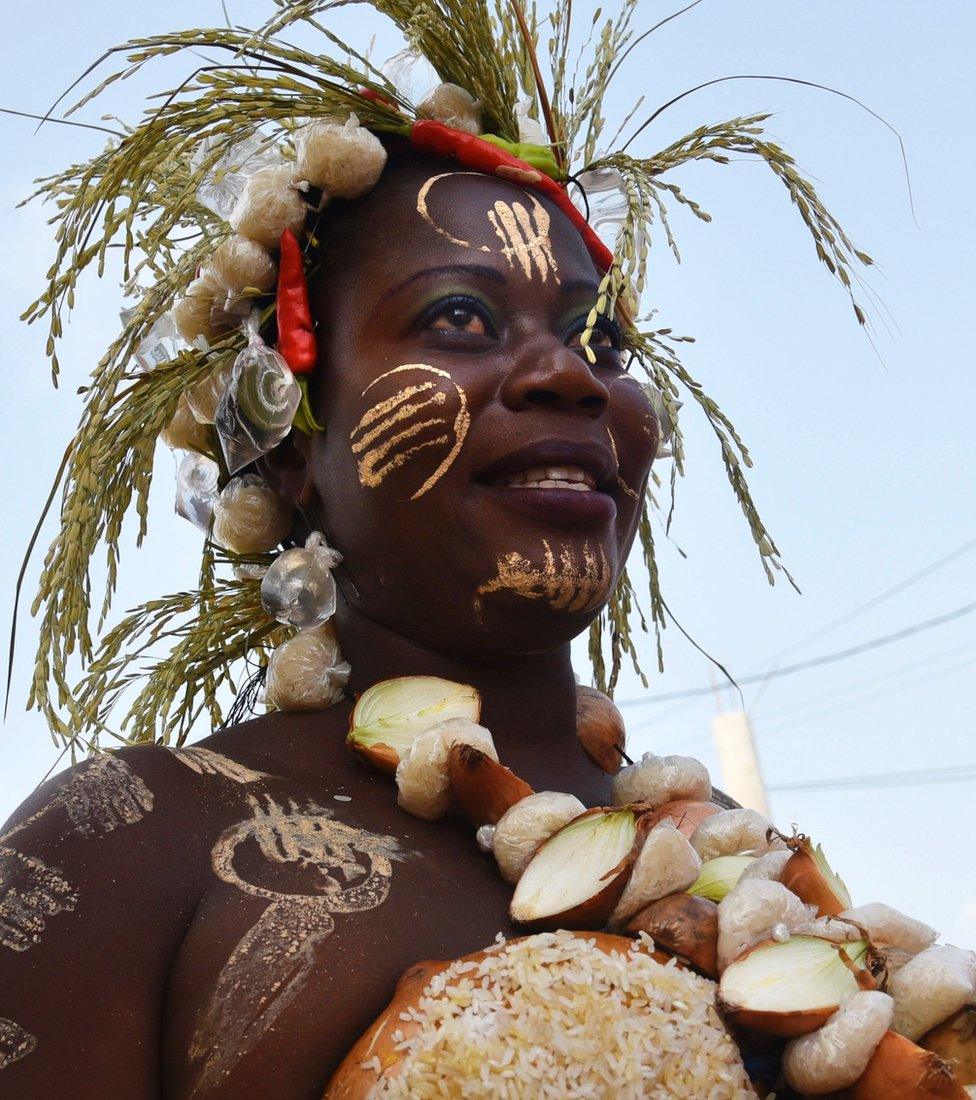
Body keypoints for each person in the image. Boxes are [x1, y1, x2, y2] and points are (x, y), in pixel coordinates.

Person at [1, 3, 928, 1098]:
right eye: (457, 317)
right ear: (289, 446)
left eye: (604, 338)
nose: (573, 376)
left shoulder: (738, 863)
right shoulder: (124, 844)